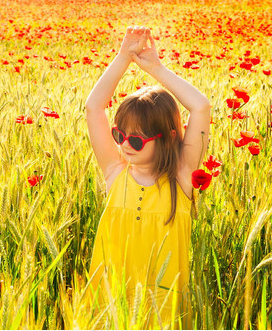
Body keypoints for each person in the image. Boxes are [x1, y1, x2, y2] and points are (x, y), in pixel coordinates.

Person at [83, 25, 211, 329]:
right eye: (119, 135)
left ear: (166, 137)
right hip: (110, 307)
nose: (125, 145)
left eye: (137, 140)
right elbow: (93, 107)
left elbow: (200, 106)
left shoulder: (181, 180)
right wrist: (124, 56)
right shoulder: (116, 174)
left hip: (162, 311)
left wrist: (156, 68)